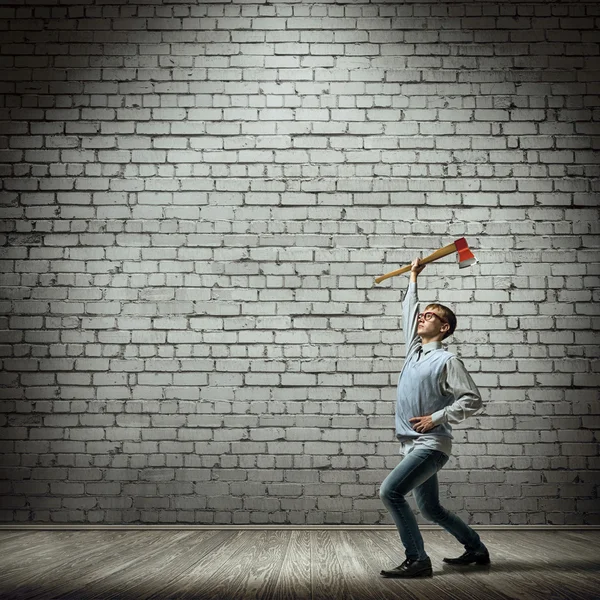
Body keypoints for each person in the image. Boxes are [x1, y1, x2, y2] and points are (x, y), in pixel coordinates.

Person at [379, 257, 490, 578]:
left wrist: (437, 417)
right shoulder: (413, 351)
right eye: (422, 313)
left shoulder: (447, 359)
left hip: (431, 443)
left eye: (431, 315)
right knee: (430, 508)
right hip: (412, 447)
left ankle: (417, 560)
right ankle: (476, 549)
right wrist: (413, 277)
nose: (422, 317)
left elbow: (472, 399)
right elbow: (408, 312)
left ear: (444, 328)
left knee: (391, 492)